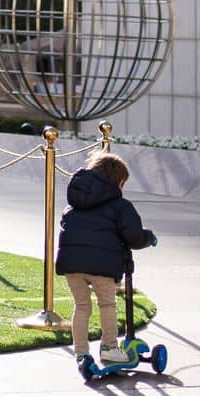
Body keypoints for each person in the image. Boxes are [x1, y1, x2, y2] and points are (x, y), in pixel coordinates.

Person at [55, 150, 155, 365]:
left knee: (81, 306)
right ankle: (109, 347)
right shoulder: (120, 206)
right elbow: (133, 237)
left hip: (72, 264)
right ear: (119, 182)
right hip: (102, 266)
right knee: (107, 305)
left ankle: (81, 352)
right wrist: (149, 238)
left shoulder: (72, 204)